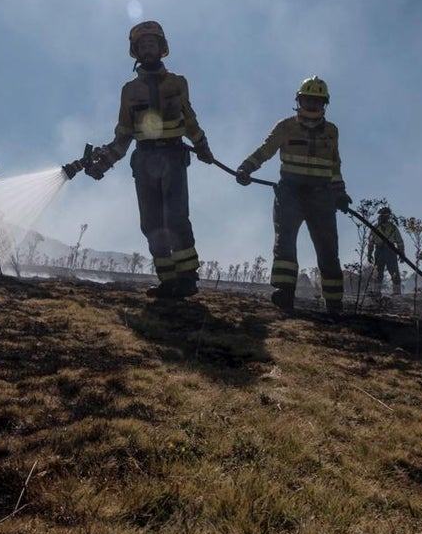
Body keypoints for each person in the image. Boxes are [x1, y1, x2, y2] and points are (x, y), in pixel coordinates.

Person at [84, 21, 215, 298]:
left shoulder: (178, 83)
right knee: (151, 223)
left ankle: (188, 279)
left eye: (151, 43)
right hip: (144, 160)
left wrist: (201, 145)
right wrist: (104, 164)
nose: (147, 48)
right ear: (136, 51)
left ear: (161, 48)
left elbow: (189, 118)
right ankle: (168, 281)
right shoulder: (129, 91)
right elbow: (124, 133)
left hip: (173, 157)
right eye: (142, 45)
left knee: (177, 218)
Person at [236, 76, 350, 315]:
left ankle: (334, 304)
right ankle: (284, 293)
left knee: (328, 250)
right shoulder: (285, 126)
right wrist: (246, 168)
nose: (311, 105)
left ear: (324, 104)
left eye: (317, 101)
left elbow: (334, 165)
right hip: (290, 194)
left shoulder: (331, 131)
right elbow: (266, 150)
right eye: (308, 100)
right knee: (285, 244)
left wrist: (340, 192)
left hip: (322, 196)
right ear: (299, 100)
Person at [368, 207, 405, 295]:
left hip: (390, 251)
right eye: (381, 215)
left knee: (394, 271)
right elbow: (371, 242)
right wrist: (369, 254)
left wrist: (402, 253)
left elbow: (399, 242)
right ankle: (377, 292)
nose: (382, 217)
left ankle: (397, 292)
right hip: (379, 251)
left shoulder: (393, 228)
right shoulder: (375, 227)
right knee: (378, 272)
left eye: (384, 215)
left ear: (388, 217)